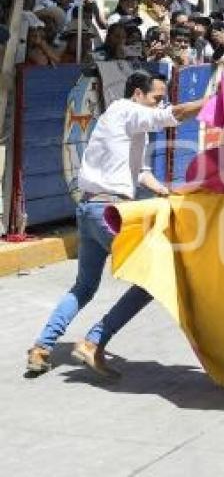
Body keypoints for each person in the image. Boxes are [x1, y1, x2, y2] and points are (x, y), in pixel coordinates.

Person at [25, 70, 210, 378]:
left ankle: (42, 346)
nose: (159, 104)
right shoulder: (126, 110)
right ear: (137, 94)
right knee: (150, 280)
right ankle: (95, 340)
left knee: (84, 286)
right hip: (109, 212)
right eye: (155, 98)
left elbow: (140, 173)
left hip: (88, 209)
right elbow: (173, 115)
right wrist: (211, 101)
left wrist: (167, 192)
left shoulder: (122, 122)